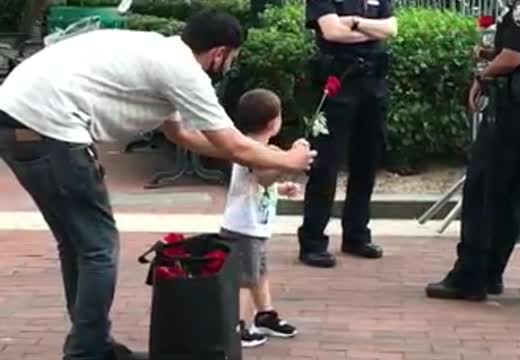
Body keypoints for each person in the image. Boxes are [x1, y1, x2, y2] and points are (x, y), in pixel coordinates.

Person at [0, 9, 315, 360]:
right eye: (232, 59)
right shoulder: (183, 71)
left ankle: (91, 343)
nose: (229, 66)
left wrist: (255, 157)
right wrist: (289, 161)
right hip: (49, 127)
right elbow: (231, 144)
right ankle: (86, 351)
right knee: (99, 248)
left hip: (16, 119)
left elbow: (183, 134)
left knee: (78, 243)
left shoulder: (164, 54)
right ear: (219, 53)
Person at [426, 0, 520, 301]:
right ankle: (491, 273)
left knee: (483, 191)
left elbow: (513, 57)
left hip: (514, 111)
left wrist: (482, 76)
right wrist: (488, 55)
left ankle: (469, 277)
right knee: (512, 198)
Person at [299, 0, 398, 268]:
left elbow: (391, 28)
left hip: (373, 84)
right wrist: (370, 30)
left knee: (367, 162)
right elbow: (331, 31)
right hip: (337, 82)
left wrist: (354, 22)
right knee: (325, 164)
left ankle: (356, 235)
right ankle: (313, 241)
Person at [219, 89, 300, 348]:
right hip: (243, 228)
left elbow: (262, 183)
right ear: (272, 123)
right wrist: (290, 160)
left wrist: (283, 186)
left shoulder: (261, 150)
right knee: (244, 278)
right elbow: (264, 176)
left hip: (255, 227)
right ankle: (237, 326)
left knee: (259, 273)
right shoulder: (252, 150)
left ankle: (265, 315)